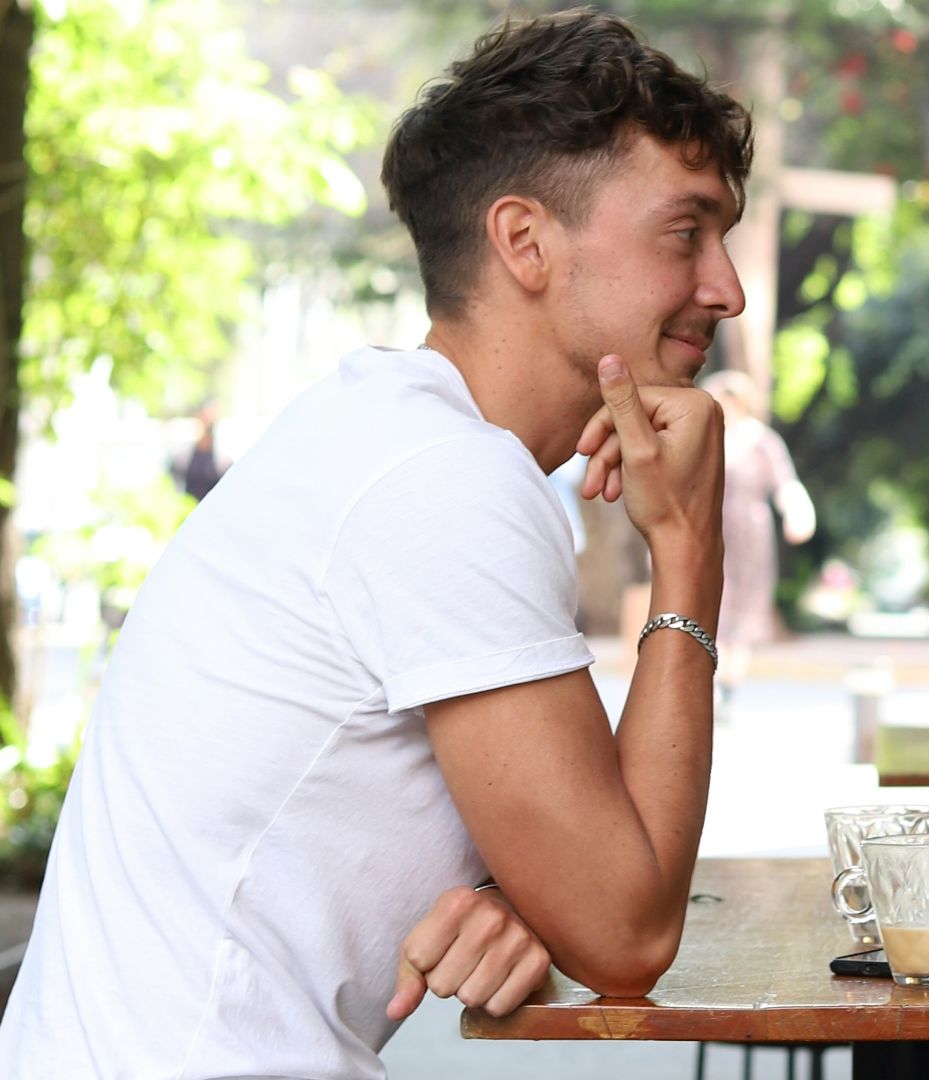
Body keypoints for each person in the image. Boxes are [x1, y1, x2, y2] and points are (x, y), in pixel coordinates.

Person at [0, 10, 749, 1077]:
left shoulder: (399, 440)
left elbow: (594, 890)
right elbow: (629, 934)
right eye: (688, 231)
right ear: (525, 242)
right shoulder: (444, 481)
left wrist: (520, 892)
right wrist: (689, 557)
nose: (729, 287)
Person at [699, 368, 815, 702]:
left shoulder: (761, 439)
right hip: (710, 527)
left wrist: (797, 513)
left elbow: (786, 483)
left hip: (750, 530)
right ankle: (714, 673)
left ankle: (731, 680)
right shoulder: (705, 435)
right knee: (713, 598)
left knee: (747, 603)